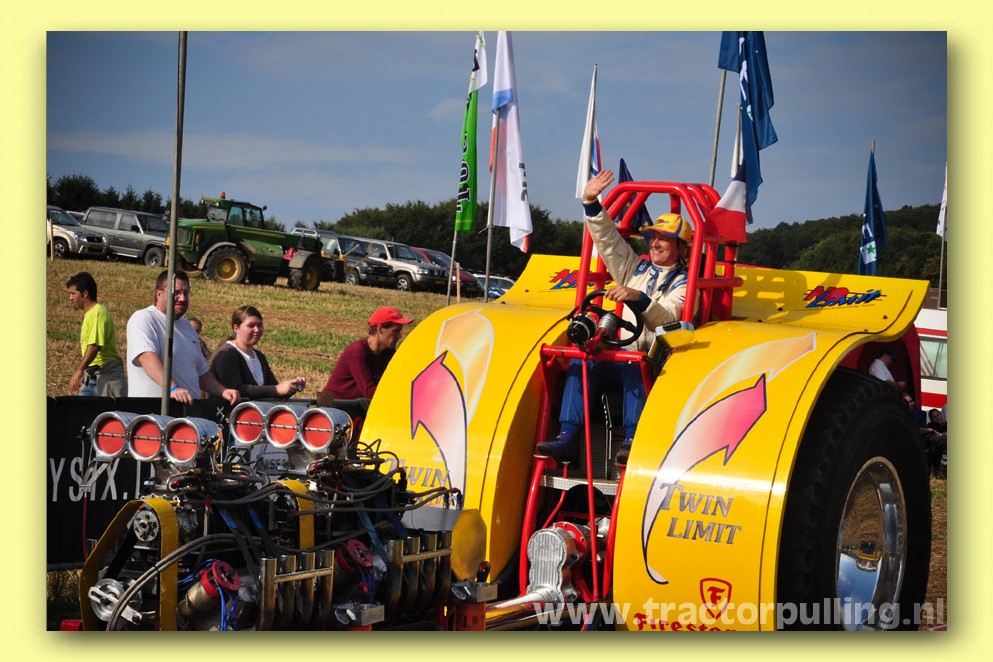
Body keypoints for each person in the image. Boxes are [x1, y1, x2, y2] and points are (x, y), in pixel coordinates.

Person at [537, 169, 691, 466]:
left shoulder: (686, 284)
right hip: (625, 356)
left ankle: (633, 440)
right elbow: (608, 241)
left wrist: (638, 298)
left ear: (681, 247)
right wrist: (591, 202)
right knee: (583, 359)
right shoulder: (635, 268)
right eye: (652, 237)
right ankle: (568, 437)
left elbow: (669, 319)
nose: (655, 243)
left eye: (664, 239)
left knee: (635, 363)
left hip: (660, 365)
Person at [126, 269, 239, 405]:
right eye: (176, 293)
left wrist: (222, 391)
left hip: (188, 411)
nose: (183, 298)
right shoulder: (144, 319)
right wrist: (173, 388)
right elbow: (147, 358)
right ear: (159, 294)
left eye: (186, 293)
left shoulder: (187, 327)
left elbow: (201, 372)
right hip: (154, 412)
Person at [319, 306, 413, 410]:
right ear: (380, 329)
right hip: (333, 409)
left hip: (355, 407)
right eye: (395, 331)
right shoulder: (357, 351)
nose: (400, 336)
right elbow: (369, 392)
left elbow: (396, 382)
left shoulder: (389, 353)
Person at [210, 305, 306, 399]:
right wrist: (276, 390)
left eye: (259, 325)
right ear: (236, 328)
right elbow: (236, 390)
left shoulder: (259, 356)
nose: (257, 330)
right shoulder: (227, 354)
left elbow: (273, 393)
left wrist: (291, 387)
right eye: (251, 326)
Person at [65, 271, 127, 397]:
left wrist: (79, 370)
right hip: (91, 379)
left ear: (85, 293)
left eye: (73, 293)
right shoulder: (90, 314)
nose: (70, 298)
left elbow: (94, 346)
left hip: (107, 379)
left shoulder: (98, 313)